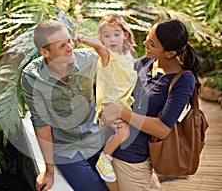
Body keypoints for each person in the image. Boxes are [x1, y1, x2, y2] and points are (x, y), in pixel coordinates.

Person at [21, 20, 128, 191]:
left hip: (96, 139)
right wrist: (49, 171)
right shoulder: (32, 77)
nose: (70, 48)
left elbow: (111, 85)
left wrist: (109, 115)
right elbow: (41, 123)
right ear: (45, 52)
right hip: (65, 149)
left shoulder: (89, 60)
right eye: (62, 46)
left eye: (69, 41)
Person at [100, 19, 201, 190]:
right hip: (106, 155)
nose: (145, 43)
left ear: (169, 53)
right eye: (148, 37)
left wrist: (120, 112)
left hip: (133, 163)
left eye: (152, 43)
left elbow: (162, 128)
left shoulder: (183, 80)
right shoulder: (144, 63)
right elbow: (118, 91)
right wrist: (106, 114)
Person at [74, 13, 137, 182]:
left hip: (123, 104)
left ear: (125, 34)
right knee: (123, 131)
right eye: (106, 36)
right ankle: (104, 158)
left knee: (122, 133)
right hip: (110, 105)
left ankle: (103, 157)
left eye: (116, 34)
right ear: (101, 38)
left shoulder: (128, 57)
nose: (112, 39)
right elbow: (99, 47)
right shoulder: (107, 56)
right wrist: (84, 38)